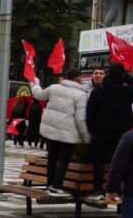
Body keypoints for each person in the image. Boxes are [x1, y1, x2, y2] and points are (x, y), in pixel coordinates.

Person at [32, 68, 91, 197]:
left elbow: (38, 95)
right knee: (63, 161)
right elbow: (80, 119)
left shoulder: (54, 88)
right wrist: (86, 137)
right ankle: (57, 186)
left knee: (52, 159)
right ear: (79, 78)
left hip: (51, 131)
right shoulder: (81, 95)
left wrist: (34, 82)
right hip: (68, 134)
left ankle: (49, 184)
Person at [86, 64, 133, 202]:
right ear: (122, 75)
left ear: (107, 74)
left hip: (101, 132)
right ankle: (118, 190)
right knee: (121, 162)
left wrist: (92, 130)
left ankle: (97, 189)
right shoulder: (127, 91)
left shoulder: (98, 92)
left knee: (99, 162)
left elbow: (90, 114)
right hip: (122, 132)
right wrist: (128, 75)